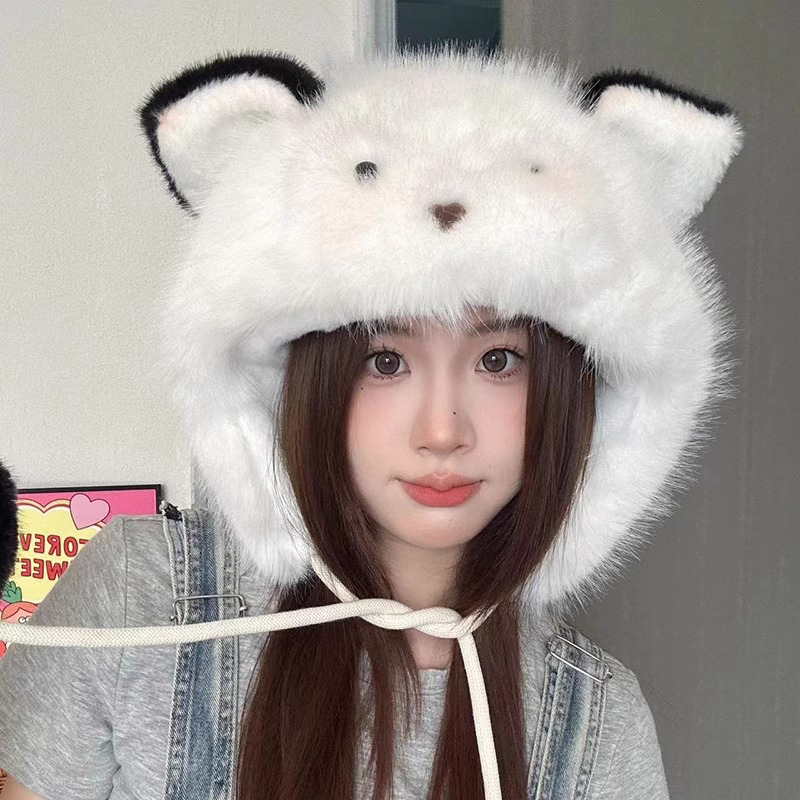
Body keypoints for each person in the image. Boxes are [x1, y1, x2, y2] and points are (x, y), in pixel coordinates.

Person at [0, 45, 743, 800]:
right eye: (386, 360)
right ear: (306, 374)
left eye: (498, 360)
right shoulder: (144, 601)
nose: (443, 432)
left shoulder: (596, 724)